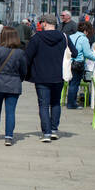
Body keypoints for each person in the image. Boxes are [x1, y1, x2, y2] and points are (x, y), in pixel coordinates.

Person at [25, 13, 71, 142]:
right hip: (59, 75)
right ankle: (54, 130)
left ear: (44, 23)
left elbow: (27, 56)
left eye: (41, 23)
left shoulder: (37, 37)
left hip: (41, 76)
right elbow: (75, 52)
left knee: (43, 105)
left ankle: (46, 133)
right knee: (56, 103)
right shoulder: (63, 36)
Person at [0, 26, 28, 145]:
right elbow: (24, 70)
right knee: (10, 111)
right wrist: (19, 79)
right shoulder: (20, 52)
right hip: (14, 85)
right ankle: (9, 136)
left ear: (2, 36)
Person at [66, 20, 95, 110]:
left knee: (71, 83)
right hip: (78, 63)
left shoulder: (71, 36)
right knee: (75, 84)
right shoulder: (84, 39)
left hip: (69, 63)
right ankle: (72, 104)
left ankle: (70, 102)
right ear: (86, 30)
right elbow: (87, 53)